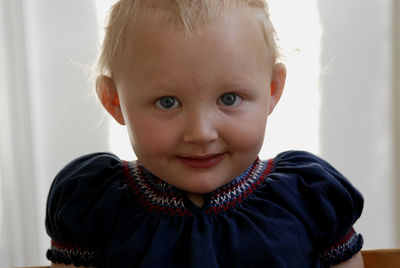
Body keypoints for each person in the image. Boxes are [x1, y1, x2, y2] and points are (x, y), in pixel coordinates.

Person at [45, 0, 364, 267]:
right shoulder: (94, 204)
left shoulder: (310, 197)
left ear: (272, 89)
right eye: (167, 102)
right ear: (113, 100)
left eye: (229, 99)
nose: (200, 133)